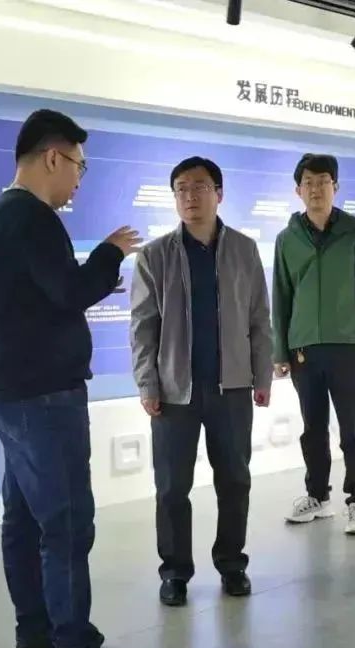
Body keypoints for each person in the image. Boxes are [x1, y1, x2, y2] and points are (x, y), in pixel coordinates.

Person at [0, 109, 147, 648]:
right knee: (67, 523)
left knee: (24, 516)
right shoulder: (32, 217)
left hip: (11, 388)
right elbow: (69, 291)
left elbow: (45, 295)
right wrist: (111, 252)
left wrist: (87, 277)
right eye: (78, 166)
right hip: (43, 394)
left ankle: (36, 631)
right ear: (53, 157)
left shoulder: (2, 218)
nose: (78, 180)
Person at [130, 156, 273, 608]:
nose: (190, 196)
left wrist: (262, 375)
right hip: (175, 392)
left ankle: (232, 564)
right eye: (181, 189)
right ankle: (175, 572)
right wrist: (147, 384)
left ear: (219, 194)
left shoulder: (244, 250)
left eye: (199, 187)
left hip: (232, 388)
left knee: (235, 480)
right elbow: (143, 327)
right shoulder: (155, 256)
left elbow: (259, 319)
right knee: (172, 487)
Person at [272, 153, 355, 535]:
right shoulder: (287, 239)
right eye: (308, 182)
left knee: (353, 428)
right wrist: (280, 351)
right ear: (297, 190)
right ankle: (317, 497)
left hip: (347, 344)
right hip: (304, 347)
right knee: (313, 428)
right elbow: (281, 296)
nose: (315, 189)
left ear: (336, 187)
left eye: (323, 181)